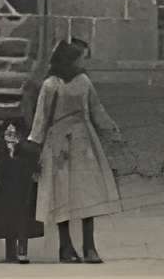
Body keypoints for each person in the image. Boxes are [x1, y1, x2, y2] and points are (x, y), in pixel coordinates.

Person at [29, 37, 124, 262]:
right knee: (62, 195)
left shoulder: (84, 81)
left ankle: (89, 246)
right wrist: (35, 144)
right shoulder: (51, 84)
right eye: (82, 57)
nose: (85, 62)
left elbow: (95, 108)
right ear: (69, 58)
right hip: (58, 144)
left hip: (84, 141)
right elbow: (41, 117)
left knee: (87, 193)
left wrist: (111, 128)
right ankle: (66, 246)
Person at [0, 116, 44, 264]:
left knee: (23, 221)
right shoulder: (0, 149)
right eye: (8, 134)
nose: (11, 137)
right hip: (5, 189)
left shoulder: (29, 149)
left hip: (23, 189)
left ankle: (22, 250)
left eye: (14, 134)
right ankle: (10, 252)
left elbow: (33, 166)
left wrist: (16, 152)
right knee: (6, 220)